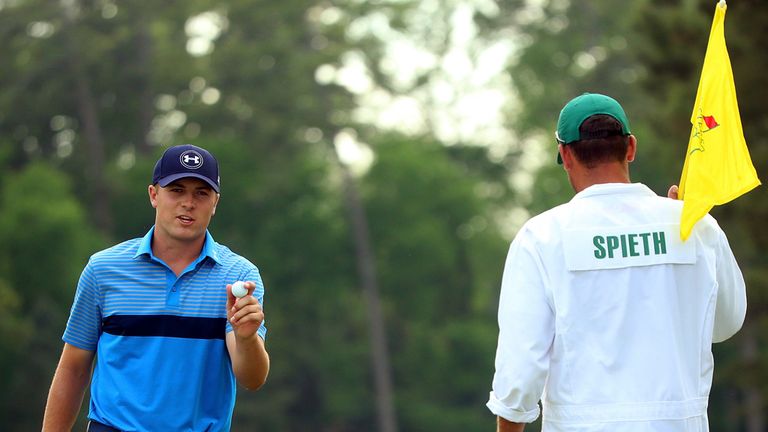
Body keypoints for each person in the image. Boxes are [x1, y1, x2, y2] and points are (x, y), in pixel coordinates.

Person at [486, 93, 747, 431]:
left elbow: (520, 371)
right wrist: (692, 223)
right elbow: (726, 323)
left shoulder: (541, 237)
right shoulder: (693, 225)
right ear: (631, 147)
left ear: (566, 155)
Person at [42, 144, 269, 431]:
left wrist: (247, 338)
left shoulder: (239, 276)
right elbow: (73, 369)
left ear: (215, 203)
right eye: (176, 190)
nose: (188, 202)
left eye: (201, 193)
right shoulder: (103, 269)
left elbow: (252, 379)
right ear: (154, 195)